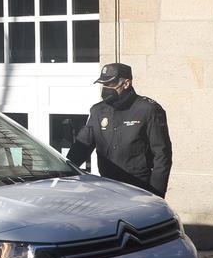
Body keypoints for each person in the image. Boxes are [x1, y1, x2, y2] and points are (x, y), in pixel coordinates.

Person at [67, 62, 173, 197]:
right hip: (107, 186)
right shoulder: (98, 111)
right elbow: (81, 147)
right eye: (103, 84)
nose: (105, 89)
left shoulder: (148, 110)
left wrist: (156, 194)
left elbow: (162, 154)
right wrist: (64, 172)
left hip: (138, 187)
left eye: (110, 84)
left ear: (126, 83)